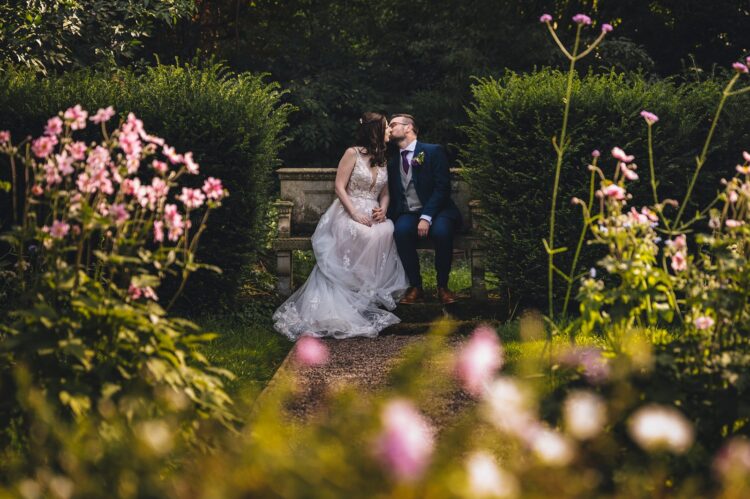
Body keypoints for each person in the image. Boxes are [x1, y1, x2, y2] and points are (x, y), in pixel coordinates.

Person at [273, 112, 409, 340]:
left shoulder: (383, 158)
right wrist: (355, 214)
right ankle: (350, 288)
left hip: (373, 211)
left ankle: (363, 290)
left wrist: (383, 209)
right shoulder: (351, 153)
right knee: (363, 234)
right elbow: (339, 187)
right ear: (375, 130)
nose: (389, 132)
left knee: (386, 229)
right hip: (347, 210)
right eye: (386, 127)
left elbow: (386, 193)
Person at [386, 114, 462, 305]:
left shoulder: (433, 151)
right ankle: (416, 287)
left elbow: (442, 187)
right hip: (409, 212)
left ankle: (443, 286)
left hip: (439, 211)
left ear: (408, 128)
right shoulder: (393, 161)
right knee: (400, 231)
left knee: (442, 231)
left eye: (393, 124)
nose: (389, 128)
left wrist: (426, 216)